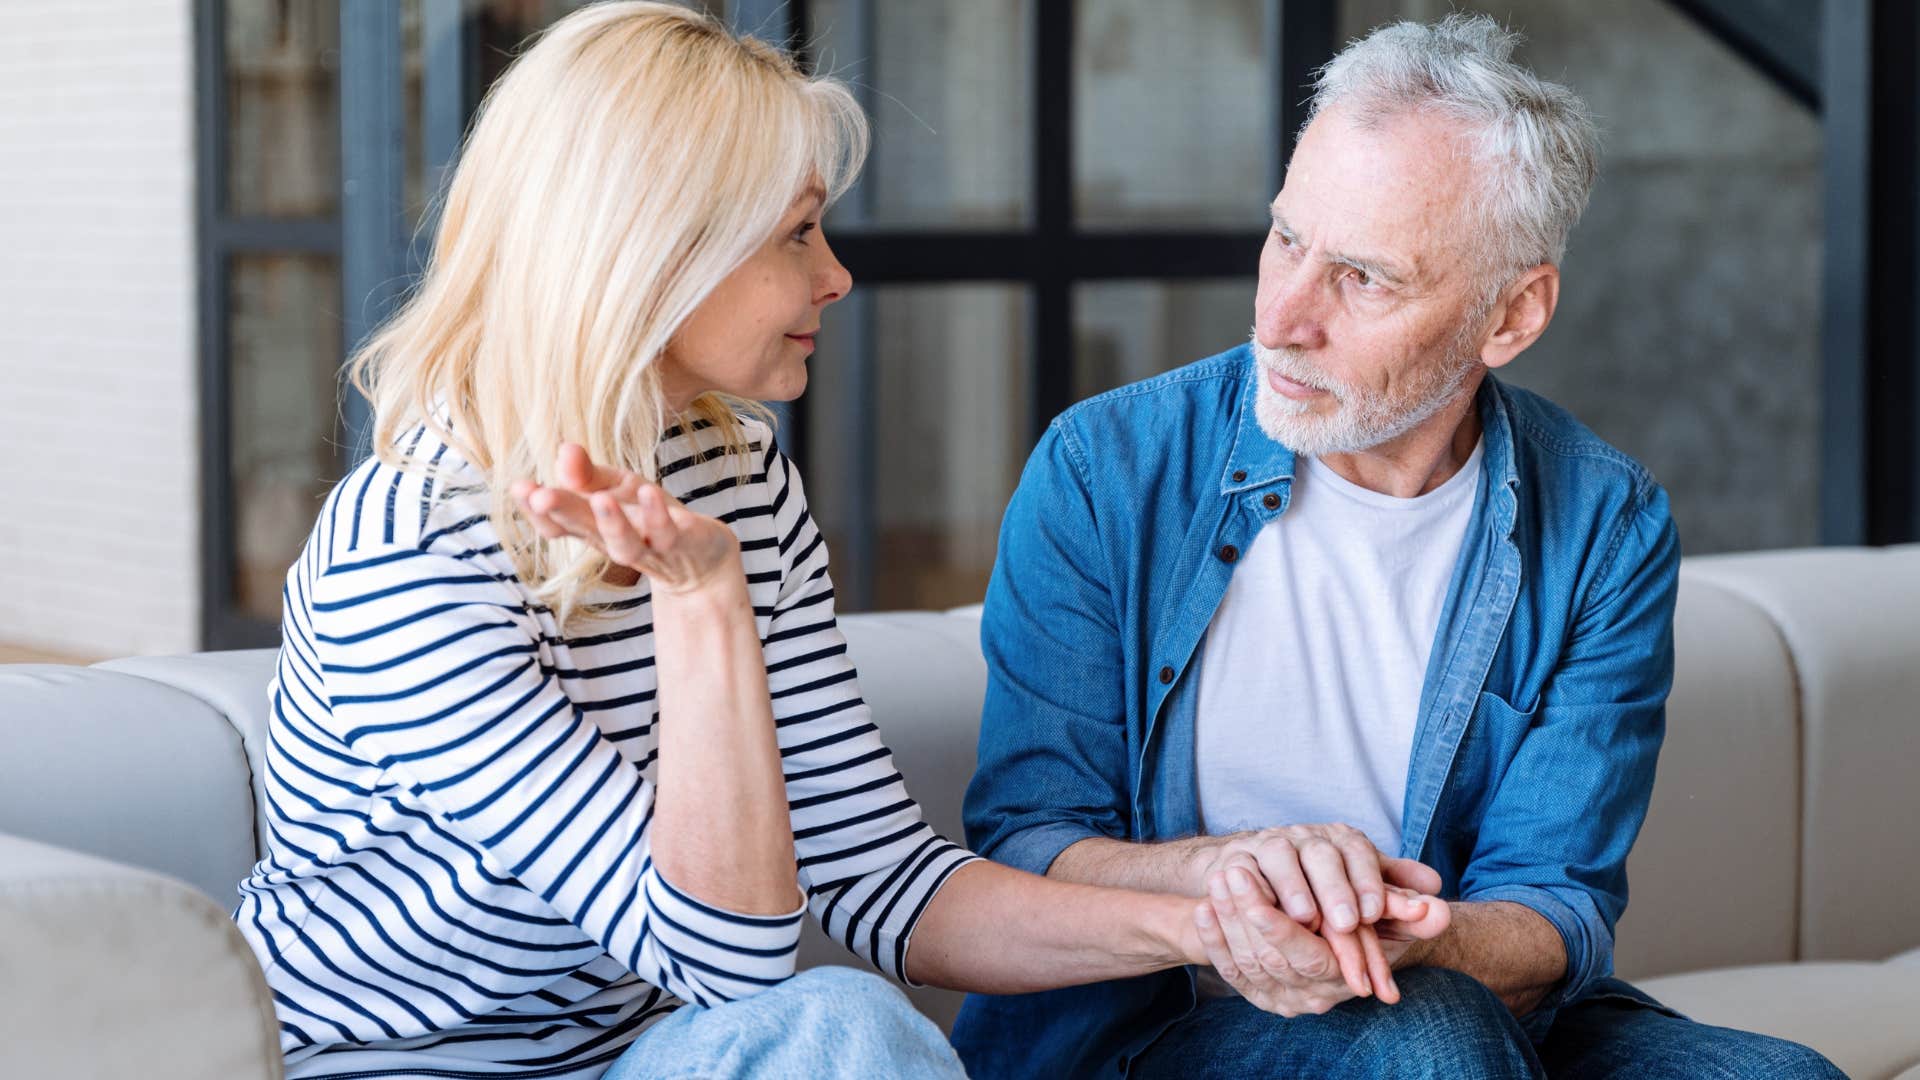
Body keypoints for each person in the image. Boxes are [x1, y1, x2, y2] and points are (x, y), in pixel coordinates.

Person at [229, 5, 1358, 1077]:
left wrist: (1216, 925)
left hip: (636, 1058)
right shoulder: (412, 550)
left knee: (840, 1022)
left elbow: (887, 884)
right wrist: (703, 603)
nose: (837, 275)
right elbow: (724, 959)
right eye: (796, 233)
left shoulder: (735, 471)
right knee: (831, 1026)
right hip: (387, 1065)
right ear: (653, 254)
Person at [953, 14, 1845, 1080]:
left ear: (1511, 315)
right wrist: (1238, 877)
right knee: (1426, 1038)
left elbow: (1553, 907)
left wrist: (1386, 932)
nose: (1282, 319)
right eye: (1287, 237)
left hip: (1459, 1006)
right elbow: (1027, 840)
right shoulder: (1106, 469)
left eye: (1364, 278)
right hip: (1143, 1034)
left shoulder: (1607, 524)